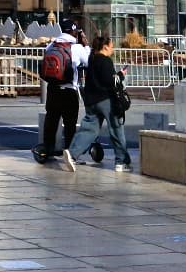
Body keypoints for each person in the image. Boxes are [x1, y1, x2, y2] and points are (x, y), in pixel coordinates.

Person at [72, 35, 133, 170]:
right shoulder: (105, 61)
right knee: (116, 129)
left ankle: (72, 154)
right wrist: (121, 75)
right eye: (111, 46)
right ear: (105, 47)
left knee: (89, 129)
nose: (112, 49)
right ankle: (121, 161)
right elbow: (110, 81)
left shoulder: (92, 59)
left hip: (91, 101)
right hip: (106, 100)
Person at [37, 24, 83, 171]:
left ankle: (47, 149)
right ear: (74, 32)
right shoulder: (76, 48)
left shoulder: (51, 45)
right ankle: (69, 152)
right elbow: (88, 61)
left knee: (51, 119)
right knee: (70, 123)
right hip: (69, 90)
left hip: (52, 89)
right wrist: (85, 43)